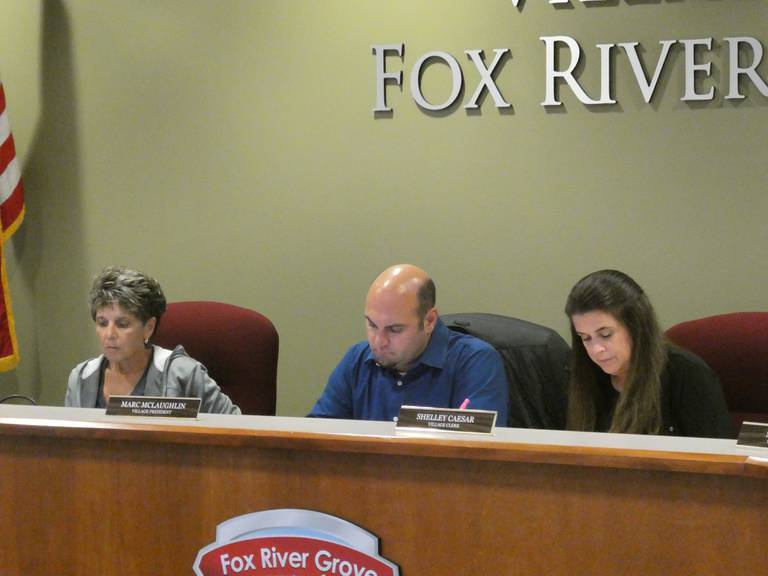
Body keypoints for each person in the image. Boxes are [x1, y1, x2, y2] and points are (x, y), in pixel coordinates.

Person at [309, 264, 509, 423]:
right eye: (372, 325)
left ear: (429, 320)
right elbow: (316, 442)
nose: (379, 341)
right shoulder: (357, 361)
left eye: (394, 329)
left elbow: (478, 455)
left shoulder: (475, 362)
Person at [564, 269, 731, 438]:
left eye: (605, 334)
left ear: (636, 326)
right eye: (585, 338)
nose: (595, 349)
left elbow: (718, 459)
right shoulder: (584, 373)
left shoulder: (687, 375)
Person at [65, 266, 241, 414]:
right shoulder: (81, 377)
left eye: (122, 324)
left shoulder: (183, 374)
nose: (109, 334)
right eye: (102, 323)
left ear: (148, 327)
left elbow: (236, 428)